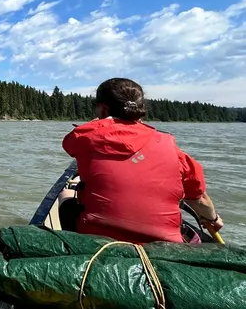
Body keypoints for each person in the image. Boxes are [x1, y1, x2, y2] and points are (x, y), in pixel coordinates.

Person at [62, 77, 222, 244]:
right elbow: (199, 197)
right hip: (165, 246)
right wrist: (213, 218)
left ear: (102, 110)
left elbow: (70, 144)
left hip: (100, 241)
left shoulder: (83, 136)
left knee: (65, 195)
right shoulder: (170, 147)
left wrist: (100, 122)